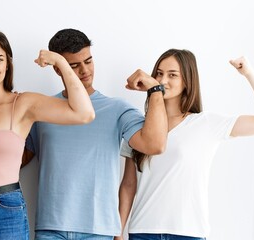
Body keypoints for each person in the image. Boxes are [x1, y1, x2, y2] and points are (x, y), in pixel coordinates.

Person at [0, 29, 95, 240]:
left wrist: (61, 62)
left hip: (5, 208)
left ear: (7, 64)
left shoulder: (23, 104)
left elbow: (84, 113)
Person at [23, 28, 169, 240]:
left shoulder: (116, 109)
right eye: (74, 66)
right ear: (58, 69)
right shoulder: (44, 110)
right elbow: (14, 162)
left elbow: (155, 144)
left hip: (98, 230)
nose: (84, 70)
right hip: (51, 228)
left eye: (88, 61)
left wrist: (155, 90)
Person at [121, 49, 254, 240]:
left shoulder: (207, 123)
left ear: (187, 80)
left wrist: (249, 74)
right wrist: (118, 231)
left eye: (172, 75)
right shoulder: (138, 128)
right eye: (159, 74)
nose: (162, 81)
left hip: (188, 233)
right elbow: (128, 185)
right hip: (143, 231)